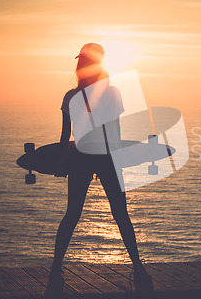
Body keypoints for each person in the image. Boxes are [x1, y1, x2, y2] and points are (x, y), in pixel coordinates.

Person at [47, 43, 153, 294]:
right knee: (121, 215)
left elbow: (66, 136)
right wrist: (120, 159)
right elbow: (115, 131)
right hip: (107, 158)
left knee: (72, 214)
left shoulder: (70, 96)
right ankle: (138, 269)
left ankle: (55, 271)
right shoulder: (113, 93)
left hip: (81, 157)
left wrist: (62, 162)